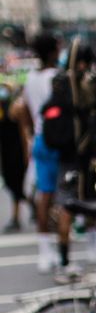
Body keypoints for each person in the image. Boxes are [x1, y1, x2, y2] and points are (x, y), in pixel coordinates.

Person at [17, 33, 63, 272]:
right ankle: (88, 242)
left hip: (40, 139)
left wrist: (29, 135)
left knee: (44, 196)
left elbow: (22, 109)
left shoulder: (31, 79)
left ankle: (45, 251)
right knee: (71, 192)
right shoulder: (57, 77)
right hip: (61, 140)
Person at [0, 80, 31, 231]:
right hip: (5, 154)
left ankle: (17, 216)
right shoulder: (2, 110)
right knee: (12, 185)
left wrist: (27, 154)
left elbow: (23, 133)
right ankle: (33, 207)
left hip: (17, 153)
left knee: (18, 185)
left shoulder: (17, 108)